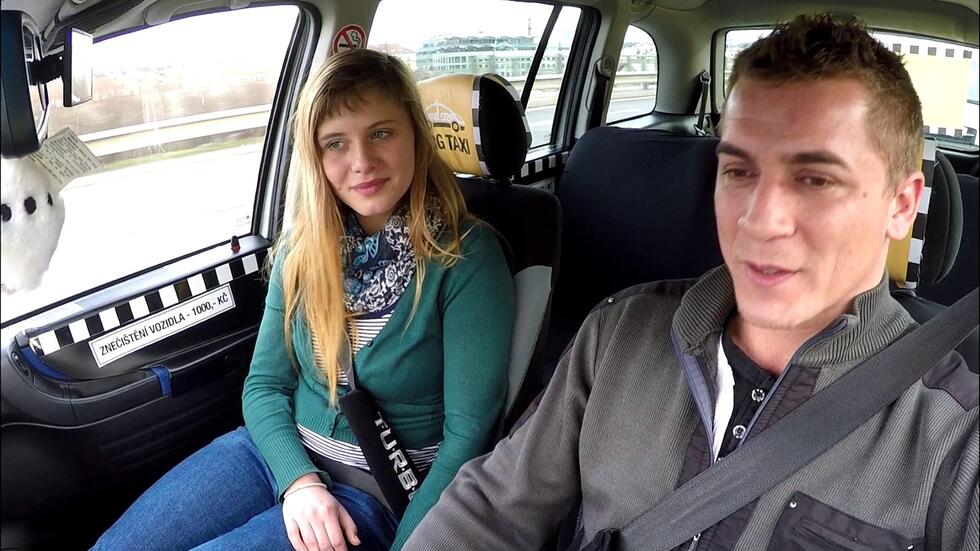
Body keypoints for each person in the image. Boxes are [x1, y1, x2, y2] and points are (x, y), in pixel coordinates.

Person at [403, 14, 979, 551]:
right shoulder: (618, 334)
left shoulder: (955, 436)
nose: (759, 220)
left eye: (815, 179)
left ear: (901, 205)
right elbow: (491, 510)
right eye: (739, 171)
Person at [92, 49, 514, 551]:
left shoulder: (464, 257)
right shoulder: (302, 248)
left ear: (416, 137)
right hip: (272, 452)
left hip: (375, 492)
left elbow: (468, 435)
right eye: (336, 143)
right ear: (316, 158)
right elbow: (264, 385)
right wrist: (298, 481)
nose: (362, 162)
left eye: (381, 133)